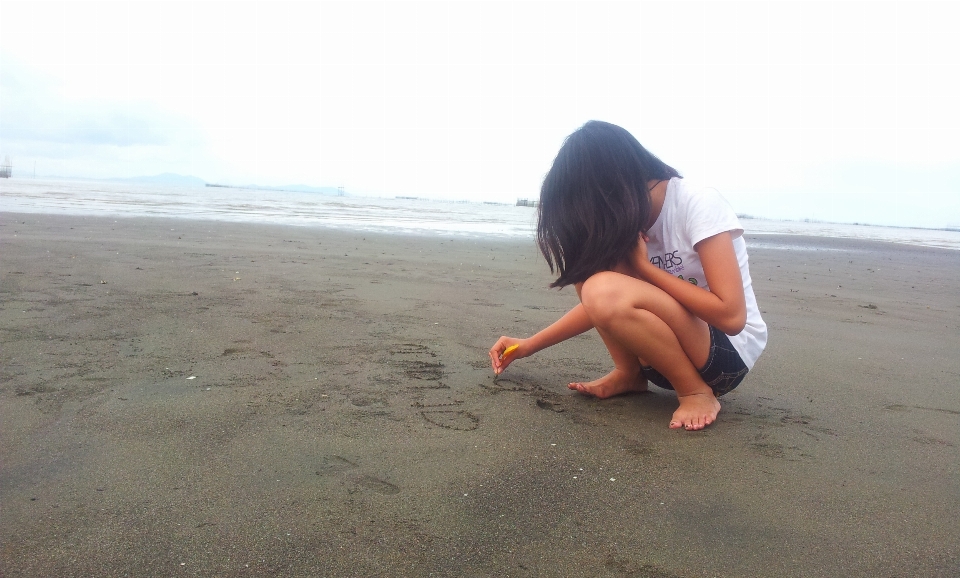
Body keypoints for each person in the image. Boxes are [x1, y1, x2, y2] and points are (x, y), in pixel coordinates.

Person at [488, 121, 767, 431]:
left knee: (601, 285)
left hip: (725, 356)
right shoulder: (629, 221)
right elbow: (601, 304)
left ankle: (696, 392)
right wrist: (529, 345)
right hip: (661, 360)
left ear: (612, 188)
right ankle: (630, 374)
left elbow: (731, 316)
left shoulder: (696, 204)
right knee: (589, 272)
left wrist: (645, 269)